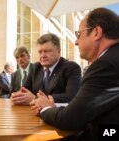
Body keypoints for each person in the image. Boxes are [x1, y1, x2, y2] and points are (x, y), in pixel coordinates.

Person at [30, 8, 119, 141]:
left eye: (78, 34)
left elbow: (70, 119)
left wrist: (46, 108)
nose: (76, 42)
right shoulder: (112, 58)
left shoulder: (105, 64)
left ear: (97, 32)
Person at [11, 33, 82, 105]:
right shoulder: (35, 67)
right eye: (40, 52)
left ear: (59, 51)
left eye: (47, 51)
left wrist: (36, 99)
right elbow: (24, 91)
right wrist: (17, 97)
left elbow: (71, 97)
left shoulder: (71, 68)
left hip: (58, 114)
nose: (43, 56)